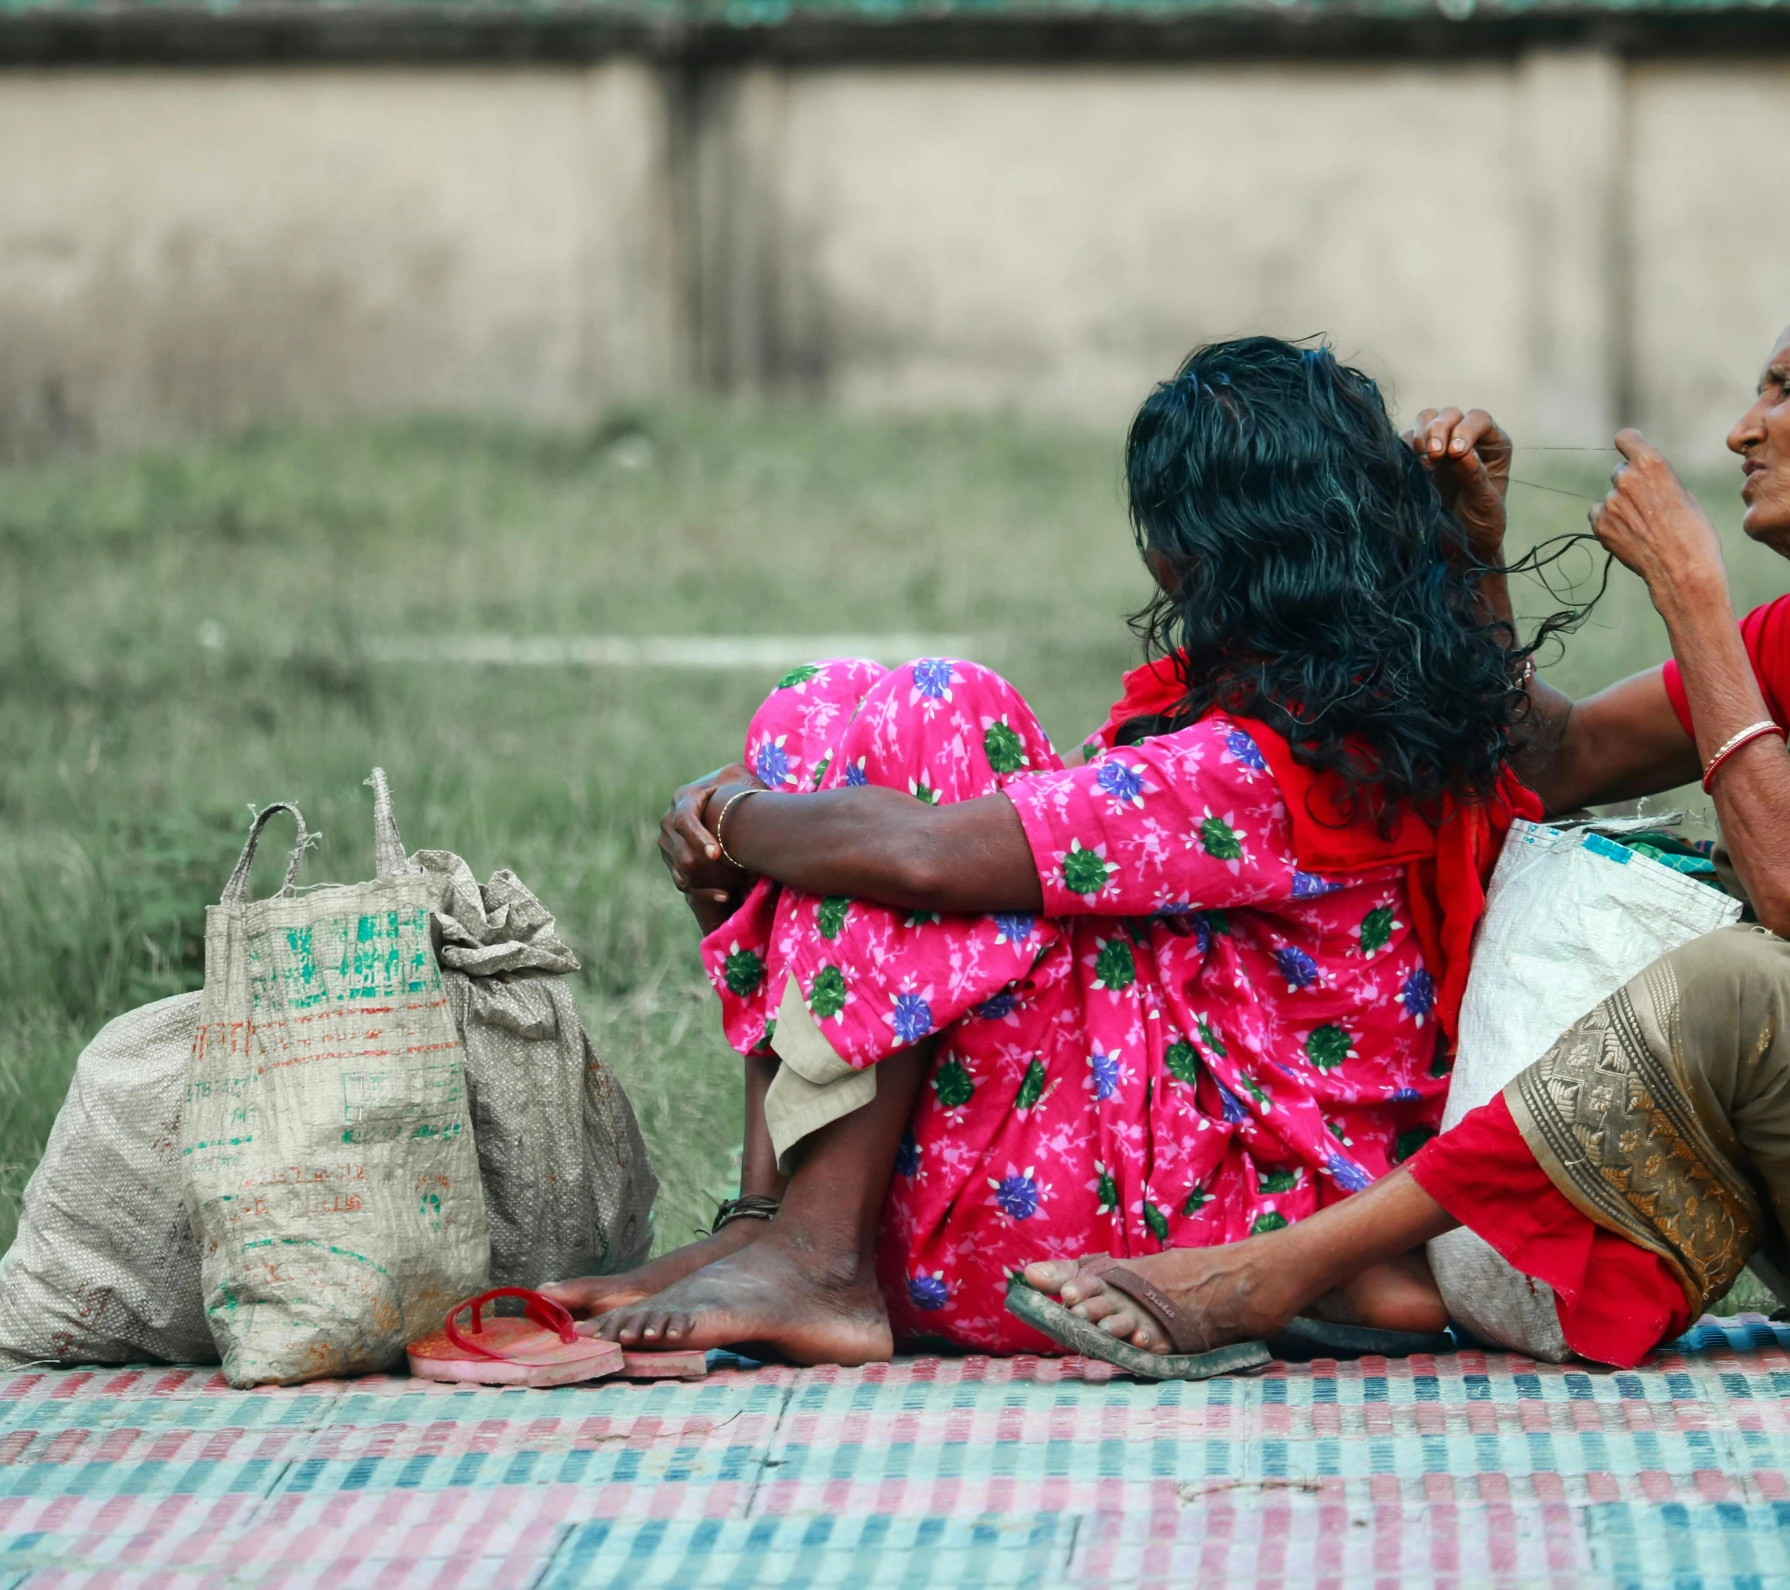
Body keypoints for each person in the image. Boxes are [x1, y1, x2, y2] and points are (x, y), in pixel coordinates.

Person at [1021, 278, 1790, 1367]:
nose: (1744, 430)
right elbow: (1551, 759)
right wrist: (1473, 555)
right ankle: (1387, 1262)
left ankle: (1277, 1271)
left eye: (1788, 388)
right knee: (1629, 910)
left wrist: (1692, 592)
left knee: (1738, 978)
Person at [543, 336, 1555, 1363]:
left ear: (1175, 560)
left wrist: (728, 813)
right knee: (834, 711)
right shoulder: (1327, 721)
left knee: (939, 720)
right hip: (1152, 1156)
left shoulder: (1261, 768)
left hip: (1203, 1214)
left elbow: (929, 861)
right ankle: (771, 1226)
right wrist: (762, 815)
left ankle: (820, 1256)